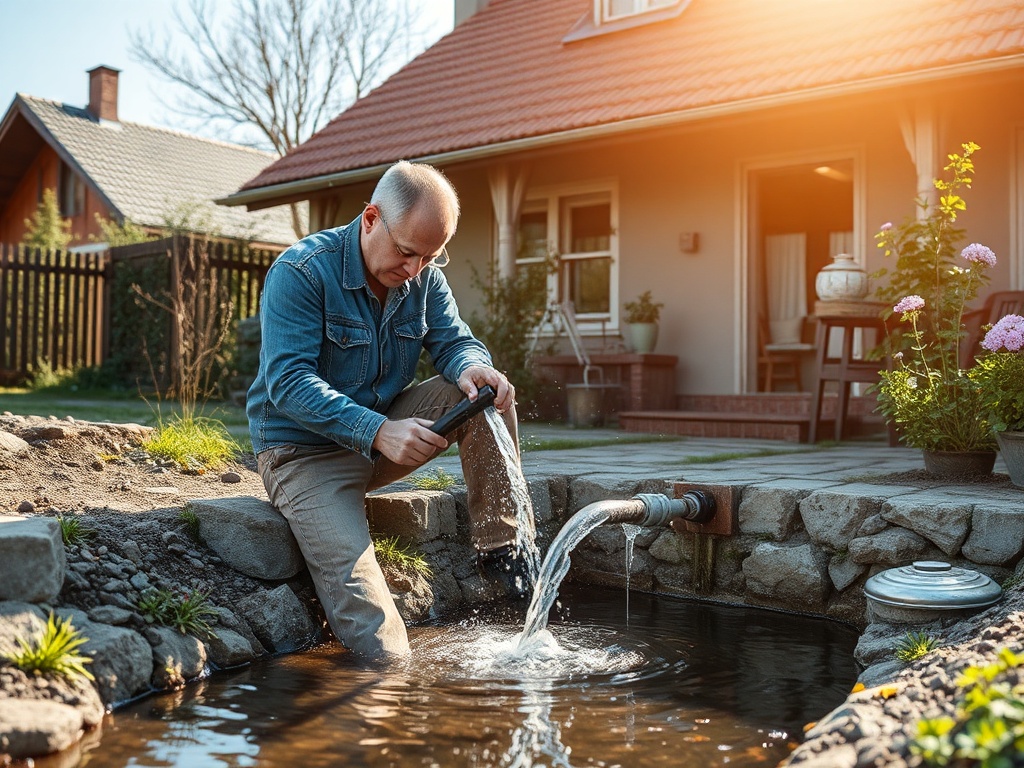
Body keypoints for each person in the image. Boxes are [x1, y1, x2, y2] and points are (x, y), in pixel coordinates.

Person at [247, 160, 536, 659]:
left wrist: (472, 367)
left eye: (431, 258)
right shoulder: (300, 272)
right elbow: (288, 384)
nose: (414, 271)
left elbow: (455, 341)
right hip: (304, 455)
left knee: (483, 396)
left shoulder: (422, 275)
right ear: (370, 219)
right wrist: (379, 430)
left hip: (383, 439)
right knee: (386, 650)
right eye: (406, 253)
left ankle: (505, 554)